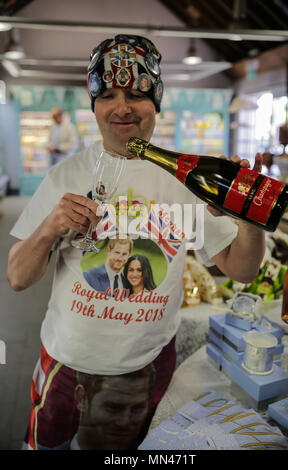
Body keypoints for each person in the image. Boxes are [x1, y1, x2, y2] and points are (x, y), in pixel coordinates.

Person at [7, 34, 265, 450]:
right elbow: (18, 277)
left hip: (147, 369)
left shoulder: (184, 178)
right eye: (108, 94)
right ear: (94, 105)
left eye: (137, 94)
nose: (122, 106)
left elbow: (242, 269)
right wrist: (48, 228)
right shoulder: (64, 177)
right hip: (66, 364)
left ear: (156, 101)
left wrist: (250, 221)